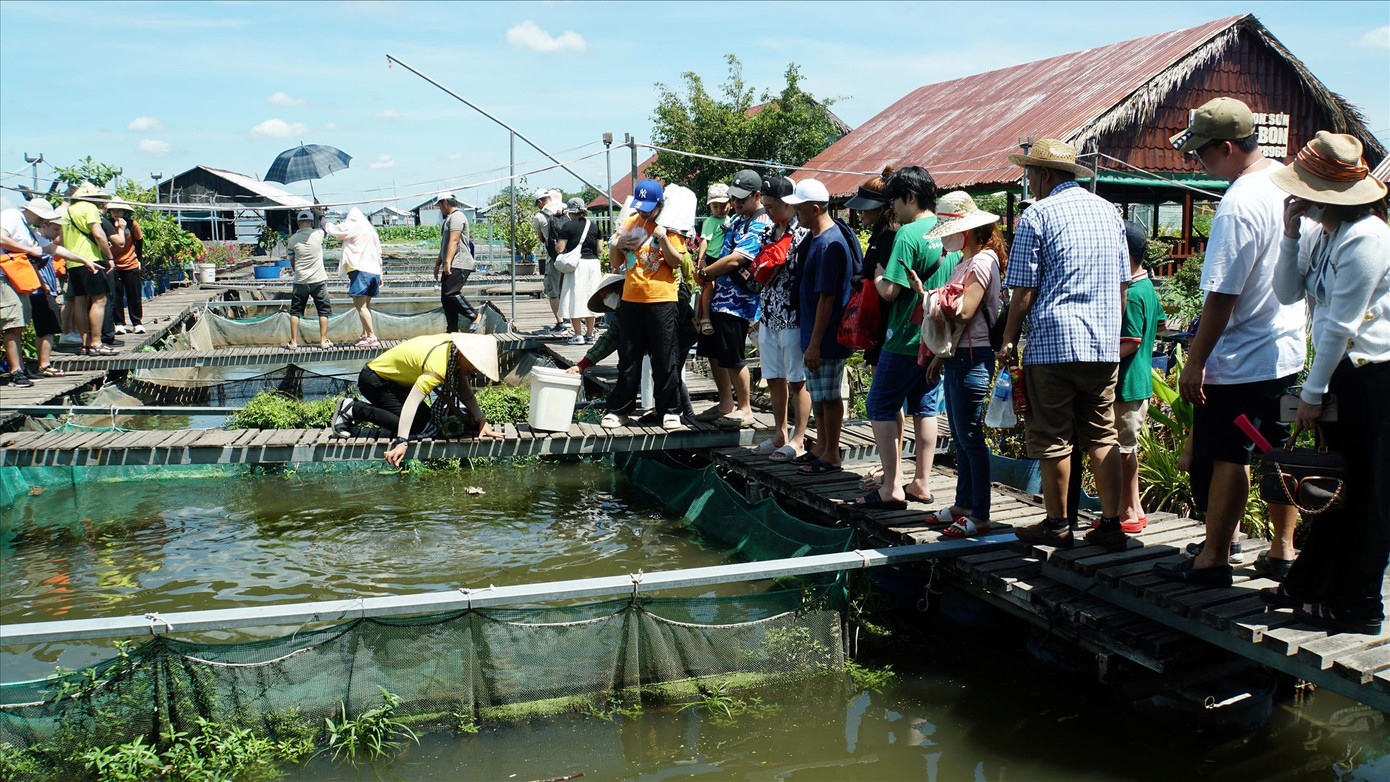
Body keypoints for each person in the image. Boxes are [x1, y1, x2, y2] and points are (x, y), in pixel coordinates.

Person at [1155, 98, 1306, 586]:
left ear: (1227, 147)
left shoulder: (1239, 201)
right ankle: (1282, 551)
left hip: (1242, 356)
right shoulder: (1286, 183)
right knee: (1280, 452)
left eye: (1203, 153)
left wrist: (1195, 361)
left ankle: (1214, 556)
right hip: (1288, 352)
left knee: (1228, 455)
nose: (1199, 163)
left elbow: (1222, 293)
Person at [1262, 131, 1390, 633]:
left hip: (1373, 374)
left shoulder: (1367, 237)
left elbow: (1341, 323)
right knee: (1335, 486)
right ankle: (1314, 582)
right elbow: (1288, 292)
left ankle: (1359, 603)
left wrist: (1312, 393)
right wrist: (1291, 234)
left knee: (1369, 492)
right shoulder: (1322, 229)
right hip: (1341, 369)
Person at [998, 139, 1129, 551]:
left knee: (1053, 437)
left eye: (1031, 174)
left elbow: (1022, 292)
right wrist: (1111, 330)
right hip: (1102, 345)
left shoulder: (1037, 214)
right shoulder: (1109, 211)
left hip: (1055, 343)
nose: (1030, 181)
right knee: (1103, 435)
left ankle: (1057, 524)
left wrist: (1008, 339)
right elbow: (1123, 283)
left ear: (1046, 175)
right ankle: (1111, 525)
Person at [855, 166, 955, 499]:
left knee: (879, 405)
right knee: (925, 409)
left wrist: (881, 273)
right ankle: (922, 482)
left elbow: (890, 292)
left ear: (910, 198)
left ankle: (891, 485)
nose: (893, 208)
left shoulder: (908, 235)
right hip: (938, 338)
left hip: (904, 339)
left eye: (895, 200)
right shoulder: (951, 232)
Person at [909, 191, 1004, 538]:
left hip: (974, 356)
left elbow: (964, 311)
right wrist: (938, 356)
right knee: (962, 437)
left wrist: (928, 297)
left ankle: (979, 513)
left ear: (964, 230)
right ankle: (964, 504)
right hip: (959, 355)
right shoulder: (967, 260)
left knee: (970, 436)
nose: (943, 234)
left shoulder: (982, 261)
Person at [331, 333, 505, 464]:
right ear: (462, 355)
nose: (476, 370)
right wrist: (402, 442)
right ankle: (352, 409)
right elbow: (412, 403)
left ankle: (357, 410)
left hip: (396, 383)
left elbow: (464, 392)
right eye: (475, 365)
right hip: (375, 381)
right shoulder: (437, 366)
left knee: (427, 422)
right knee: (415, 426)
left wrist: (482, 421)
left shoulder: (453, 350)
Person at [1093, 220, 1163, 536]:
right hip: (1140, 383)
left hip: (1127, 384)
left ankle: (1128, 511)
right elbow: (1159, 325)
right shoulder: (1148, 287)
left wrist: (1098, 352)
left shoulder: (1133, 293)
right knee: (1127, 449)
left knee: (1121, 452)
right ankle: (1133, 509)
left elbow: (1131, 341)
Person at [786, 178, 859, 476]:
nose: (796, 215)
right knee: (820, 393)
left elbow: (827, 298)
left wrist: (815, 343)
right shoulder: (816, 237)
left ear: (815, 209)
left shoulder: (830, 244)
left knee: (829, 396)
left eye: (799, 209)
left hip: (826, 335)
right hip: (814, 332)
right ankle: (822, 446)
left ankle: (832, 453)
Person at [602, 179, 687, 430]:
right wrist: (617, 244)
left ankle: (669, 410)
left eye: (648, 208)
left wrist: (663, 239)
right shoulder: (630, 224)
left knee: (664, 357)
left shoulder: (670, 226)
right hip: (631, 298)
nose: (643, 212)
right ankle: (620, 410)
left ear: (660, 204)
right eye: (640, 207)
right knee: (628, 357)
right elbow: (615, 263)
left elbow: (675, 263)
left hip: (662, 299)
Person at [694, 169, 769, 429]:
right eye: (733, 198)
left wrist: (705, 272)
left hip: (738, 302)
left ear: (757, 195)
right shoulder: (736, 220)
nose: (736, 203)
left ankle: (745, 408)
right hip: (718, 295)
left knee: (733, 355)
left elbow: (738, 258)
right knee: (713, 351)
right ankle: (726, 403)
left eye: (742, 199)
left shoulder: (762, 222)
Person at [748, 176, 809, 461]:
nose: (769, 212)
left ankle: (799, 438)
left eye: (772, 206)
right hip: (769, 313)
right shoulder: (769, 231)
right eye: (766, 206)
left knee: (797, 380)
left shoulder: (803, 232)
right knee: (773, 376)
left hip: (794, 316)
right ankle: (779, 433)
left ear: (788, 203)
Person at [0, 198, 85, 379]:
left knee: (19, 324)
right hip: (4, 278)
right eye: (45, 219)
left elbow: (53, 250)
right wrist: (28, 250)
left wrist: (85, 260)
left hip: (17, 281)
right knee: (12, 324)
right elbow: (1, 237)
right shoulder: (11, 216)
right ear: (37, 214)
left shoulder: (28, 230)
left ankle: (21, 368)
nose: (45, 223)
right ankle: (16, 371)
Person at [60, 182, 117, 356]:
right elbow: (99, 234)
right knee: (99, 300)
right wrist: (110, 257)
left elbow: (62, 241)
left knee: (80, 301)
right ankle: (96, 342)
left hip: (73, 262)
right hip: (91, 260)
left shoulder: (67, 211)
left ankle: (84, 343)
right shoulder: (89, 208)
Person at [325, 207, 384, 349]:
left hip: (361, 271)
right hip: (374, 272)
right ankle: (365, 334)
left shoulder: (353, 225)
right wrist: (381, 274)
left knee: (360, 306)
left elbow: (335, 230)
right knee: (366, 306)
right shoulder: (371, 230)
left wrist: (323, 220)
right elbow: (379, 253)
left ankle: (371, 336)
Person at [554, 197, 603, 345]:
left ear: (571, 212)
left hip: (577, 265)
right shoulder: (594, 226)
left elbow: (560, 249)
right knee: (590, 297)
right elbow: (600, 249)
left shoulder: (567, 227)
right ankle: (589, 334)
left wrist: (556, 244)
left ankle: (578, 335)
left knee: (573, 297)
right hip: (593, 264)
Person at [285, 210, 331, 350]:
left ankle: (293, 342)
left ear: (298, 223)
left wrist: (297, 271)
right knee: (323, 311)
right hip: (319, 280)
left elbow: (292, 261)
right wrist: (320, 212)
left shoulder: (292, 240)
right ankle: (323, 341)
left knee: (295, 312)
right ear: (311, 222)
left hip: (300, 281)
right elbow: (328, 226)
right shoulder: (318, 234)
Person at [436, 191, 478, 334]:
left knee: (451, 294)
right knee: (446, 299)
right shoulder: (450, 218)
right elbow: (445, 244)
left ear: (445, 202)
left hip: (459, 262)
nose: (440, 209)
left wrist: (447, 262)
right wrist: (438, 263)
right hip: (452, 262)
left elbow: (454, 240)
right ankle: (452, 329)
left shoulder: (457, 217)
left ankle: (474, 316)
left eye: (440, 206)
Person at [695, 183, 732, 335]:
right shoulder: (710, 222)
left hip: (725, 258)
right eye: (715, 206)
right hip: (711, 258)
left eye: (723, 205)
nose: (719, 209)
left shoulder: (731, 220)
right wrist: (701, 259)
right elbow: (704, 240)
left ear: (730, 204)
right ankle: (705, 318)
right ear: (710, 206)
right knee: (709, 286)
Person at [104, 201, 143, 335]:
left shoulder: (131, 224)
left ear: (124, 212)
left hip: (130, 263)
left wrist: (139, 260)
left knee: (134, 294)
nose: (116, 213)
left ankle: (137, 322)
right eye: (113, 210)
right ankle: (119, 323)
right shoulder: (106, 224)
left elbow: (139, 241)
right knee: (116, 295)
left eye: (119, 210)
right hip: (114, 264)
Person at [533, 188, 568, 336]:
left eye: (537, 204)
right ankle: (568, 319)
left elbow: (542, 238)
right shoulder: (564, 209)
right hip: (568, 256)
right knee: (566, 289)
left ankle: (560, 324)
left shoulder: (539, 216)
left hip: (553, 258)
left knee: (552, 291)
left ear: (540, 201)